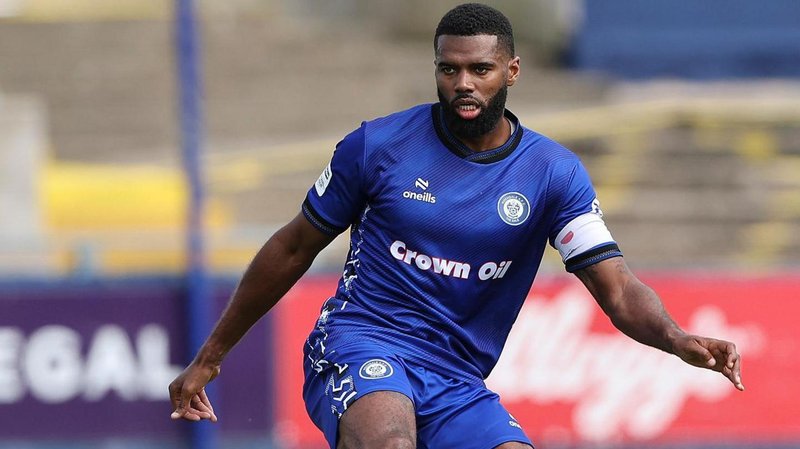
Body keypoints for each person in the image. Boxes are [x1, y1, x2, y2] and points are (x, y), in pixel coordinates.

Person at [169, 3, 744, 448]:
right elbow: (293, 247)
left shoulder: (554, 175)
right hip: (360, 342)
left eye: (480, 69)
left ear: (512, 71)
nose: (463, 82)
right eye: (450, 68)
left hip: (454, 375)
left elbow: (616, 288)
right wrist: (212, 355)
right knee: (391, 440)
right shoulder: (378, 146)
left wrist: (675, 338)